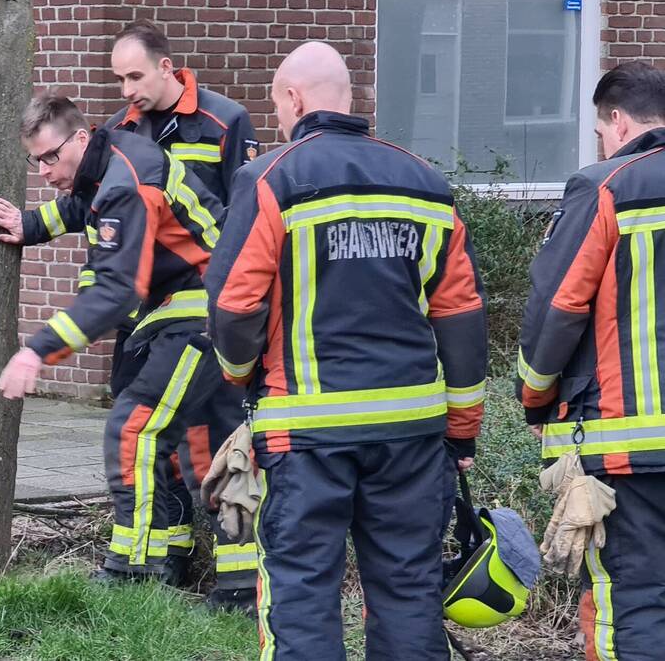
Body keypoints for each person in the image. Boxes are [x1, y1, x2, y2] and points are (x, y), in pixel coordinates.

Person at [205, 42, 487, 660]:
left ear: (293, 99)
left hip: (307, 434)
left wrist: (239, 374)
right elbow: (462, 316)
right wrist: (461, 431)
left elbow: (232, 304)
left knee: (302, 590)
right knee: (409, 592)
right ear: (350, 99)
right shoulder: (425, 182)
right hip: (412, 432)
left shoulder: (271, 178)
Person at [0, 17, 260, 609]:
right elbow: (78, 205)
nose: (44, 175)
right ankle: (235, 584)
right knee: (206, 446)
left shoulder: (133, 176)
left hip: (202, 313)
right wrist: (29, 225)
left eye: (48, 159)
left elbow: (115, 290)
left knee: (134, 426)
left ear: (79, 141)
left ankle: (129, 570)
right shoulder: (114, 153)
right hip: (203, 311)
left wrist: (38, 350)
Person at [517, 61, 665, 661]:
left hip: (629, 445)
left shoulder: (606, 186)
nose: (600, 144)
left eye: (600, 132)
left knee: (630, 600)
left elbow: (559, 306)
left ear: (618, 120)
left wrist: (535, 395)